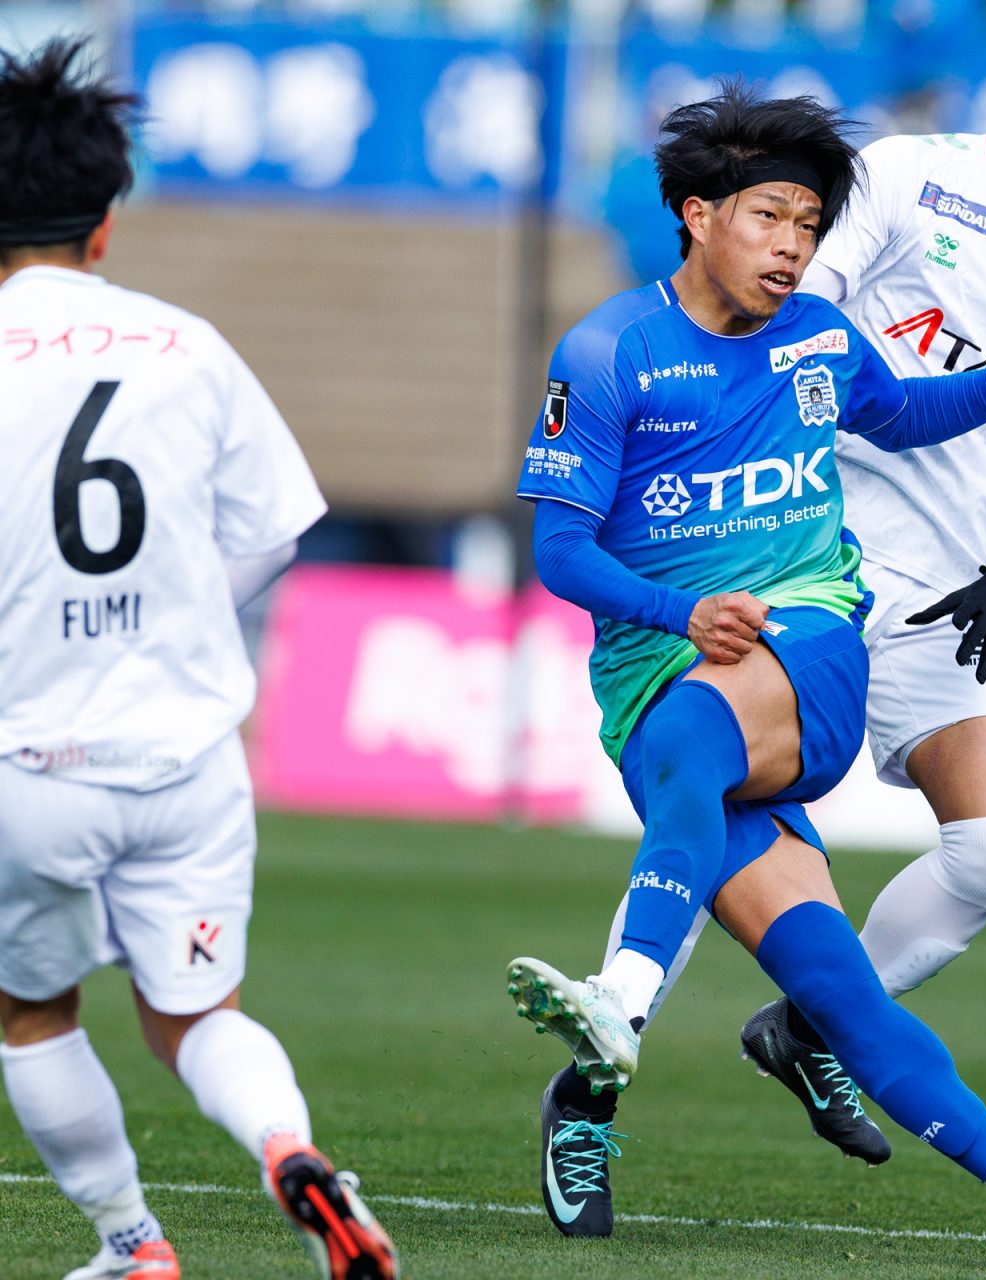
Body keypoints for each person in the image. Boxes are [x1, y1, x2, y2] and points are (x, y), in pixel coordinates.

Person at [506, 83, 986, 1274]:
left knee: (705, 728)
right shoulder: (609, 352)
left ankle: (619, 1001)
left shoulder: (821, 340)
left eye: (808, 224)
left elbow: (907, 412)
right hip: (662, 674)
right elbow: (560, 550)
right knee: (841, 993)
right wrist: (678, 609)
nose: (793, 246)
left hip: (810, 644)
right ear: (698, 216)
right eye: (769, 218)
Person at [0, 40, 396, 1280]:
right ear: (106, 221)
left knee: (30, 1010)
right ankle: (291, 1147)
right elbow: (277, 528)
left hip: (28, 758)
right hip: (188, 755)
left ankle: (133, 1243)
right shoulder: (187, 344)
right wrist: (177, 622)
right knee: (195, 1018)